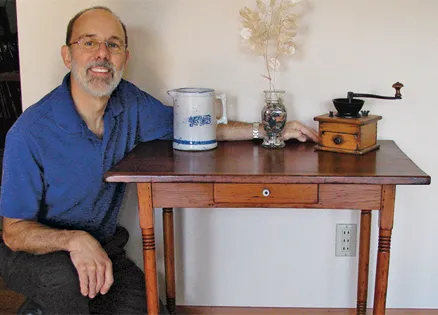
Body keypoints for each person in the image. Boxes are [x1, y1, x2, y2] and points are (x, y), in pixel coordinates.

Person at [0, 6, 318, 315]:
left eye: (113, 44)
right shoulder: (29, 132)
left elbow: (194, 128)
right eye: (89, 42)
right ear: (67, 55)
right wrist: (73, 240)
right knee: (64, 281)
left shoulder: (130, 102)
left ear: (125, 57)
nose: (102, 53)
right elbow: (14, 232)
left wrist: (268, 129)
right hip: (32, 254)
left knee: (146, 306)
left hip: (103, 246)